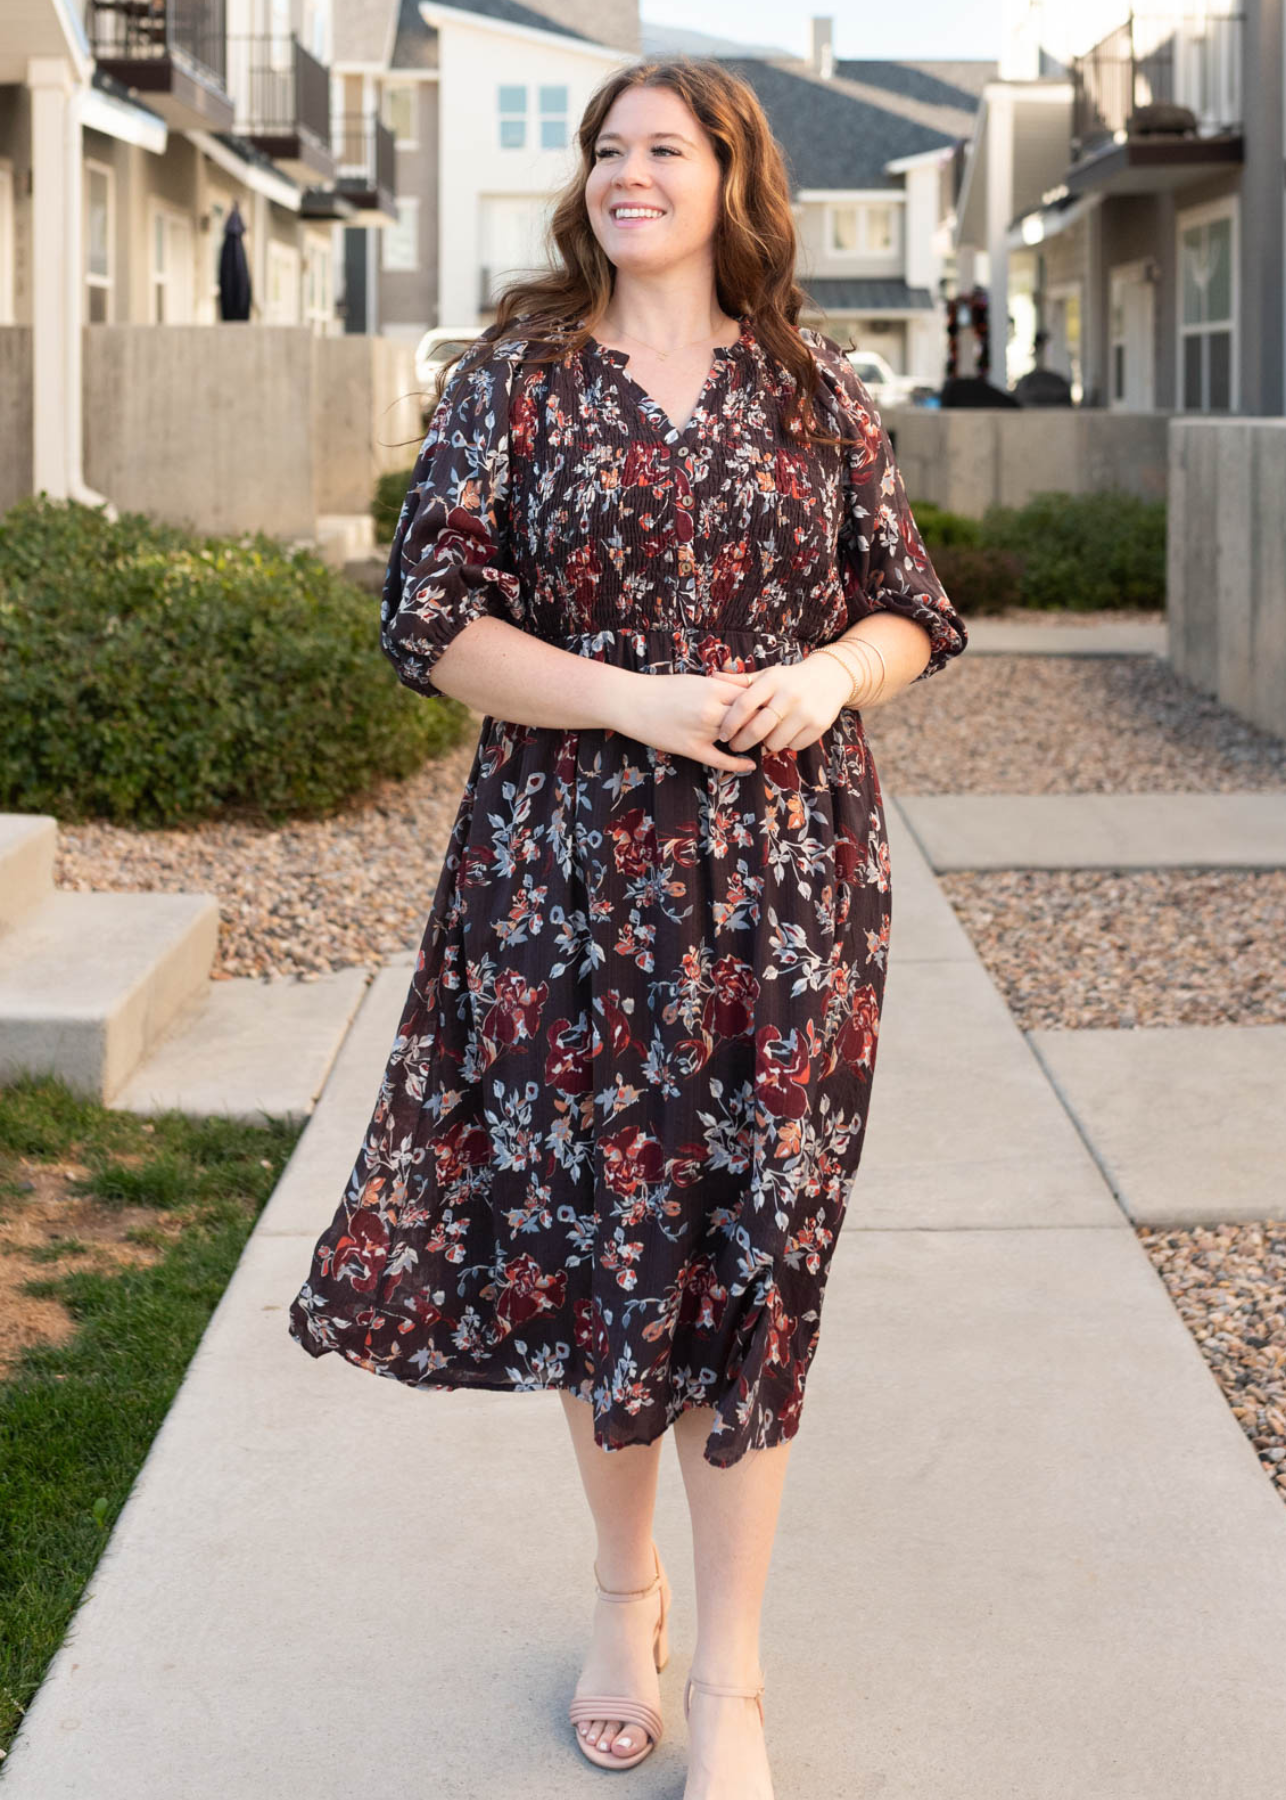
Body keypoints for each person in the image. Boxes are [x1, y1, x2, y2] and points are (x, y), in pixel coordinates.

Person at [287, 55, 967, 1800]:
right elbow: (427, 621)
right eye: (607, 149)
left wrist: (828, 670)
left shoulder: (817, 391)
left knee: (752, 1261)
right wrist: (635, 702)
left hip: (793, 894)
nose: (624, 174)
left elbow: (910, 608)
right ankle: (621, 1600)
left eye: (662, 148)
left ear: (735, 180)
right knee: (602, 1254)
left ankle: (728, 1680)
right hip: (565, 885)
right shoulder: (511, 381)